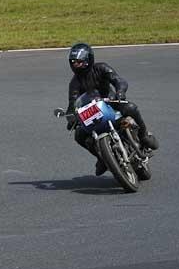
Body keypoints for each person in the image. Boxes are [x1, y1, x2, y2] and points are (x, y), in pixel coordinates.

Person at [66, 43, 159, 176]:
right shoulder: (74, 83)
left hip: (111, 103)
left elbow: (118, 80)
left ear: (89, 60)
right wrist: (71, 117)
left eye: (80, 62)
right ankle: (101, 157)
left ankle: (143, 135)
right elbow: (72, 103)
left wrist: (120, 91)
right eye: (74, 62)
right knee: (79, 135)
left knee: (131, 108)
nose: (77, 65)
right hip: (93, 113)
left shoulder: (101, 68)